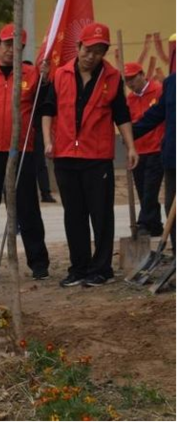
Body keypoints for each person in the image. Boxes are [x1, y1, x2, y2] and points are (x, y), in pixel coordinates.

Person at [41, 22, 139, 288]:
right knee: (74, 214)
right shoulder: (60, 74)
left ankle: (101, 269)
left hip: (97, 157)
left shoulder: (112, 77)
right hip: (65, 155)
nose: (92, 56)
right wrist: (48, 141)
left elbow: (122, 115)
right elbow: (48, 110)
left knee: (101, 214)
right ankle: (79, 267)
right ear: (79, 47)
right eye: (88, 50)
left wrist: (130, 146)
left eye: (99, 51)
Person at [0, 24, 51, 281]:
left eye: (15, 46)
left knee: (28, 208)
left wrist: (46, 79)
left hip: (22, 152)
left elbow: (44, 108)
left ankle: (38, 262)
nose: (9, 50)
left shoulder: (32, 75)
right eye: (6, 44)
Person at [133, 72, 175, 250]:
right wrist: (131, 133)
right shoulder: (172, 83)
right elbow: (156, 113)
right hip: (173, 157)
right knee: (172, 208)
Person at [124, 62, 165, 237]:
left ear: (142, 74)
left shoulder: (159, 91)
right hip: (138, 151)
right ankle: (155, 226)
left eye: (133, 78)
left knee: (150, 189)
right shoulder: (129, 99)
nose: (131, 83)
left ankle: (143, 223)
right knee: (143, 190)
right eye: (127, 80)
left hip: (157, 148)